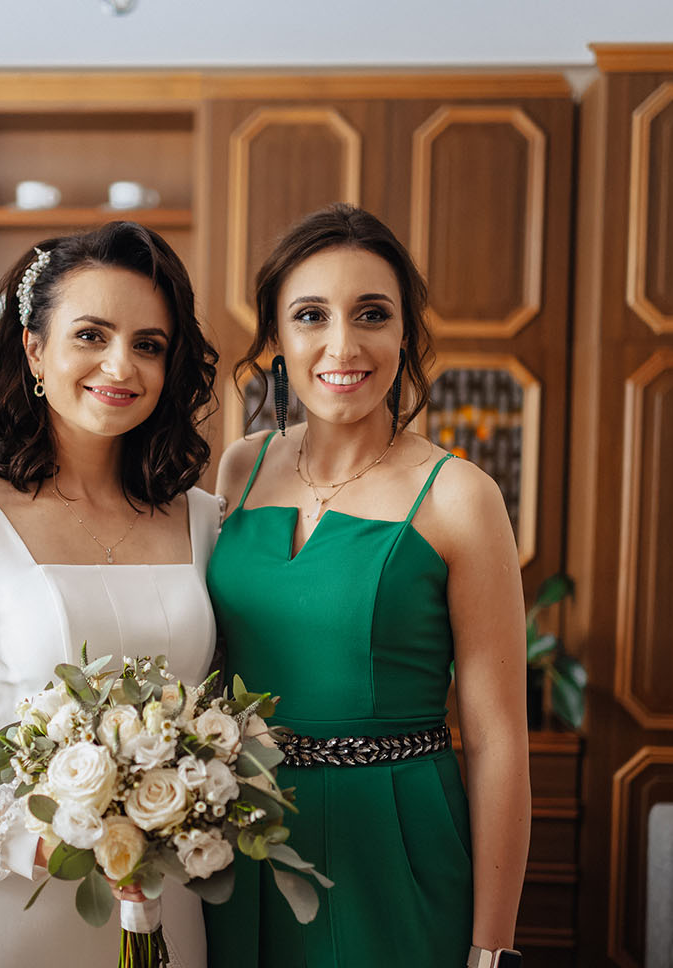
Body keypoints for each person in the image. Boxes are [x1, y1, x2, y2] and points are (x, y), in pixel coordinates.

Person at [0, 221, 220, 968]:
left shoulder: (207, 520)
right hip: (13, 906)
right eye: (91, 335)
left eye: (149, 344)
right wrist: (47, 841)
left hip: (166, 893)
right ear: (34, 349)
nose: (120, 365)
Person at [204, 203, 531, 967]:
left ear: (405, 334)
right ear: (277, 338)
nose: (343, 345)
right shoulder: (241, 467)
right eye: (311, 315)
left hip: (393, 847)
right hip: (238, 836)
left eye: (372, 314)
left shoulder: (460, 497)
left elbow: (496, 741)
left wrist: (493, 950)